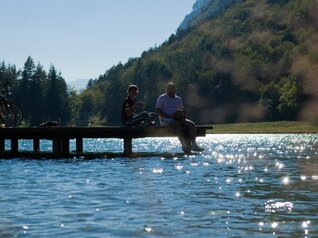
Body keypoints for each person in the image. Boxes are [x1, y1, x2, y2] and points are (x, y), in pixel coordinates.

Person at [155, 82, 204, 153]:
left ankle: (194, 144)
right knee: (177, 124)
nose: (172, 90)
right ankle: (184, 144)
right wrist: (169, 116)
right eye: (170, 89)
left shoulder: (178, 99)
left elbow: (182, 109)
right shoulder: (162, 98)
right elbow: (158, 110)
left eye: (173, 89)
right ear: (167, 89)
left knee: (192, 124)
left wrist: (182, 116)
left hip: (177, 118)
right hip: (165, 119)